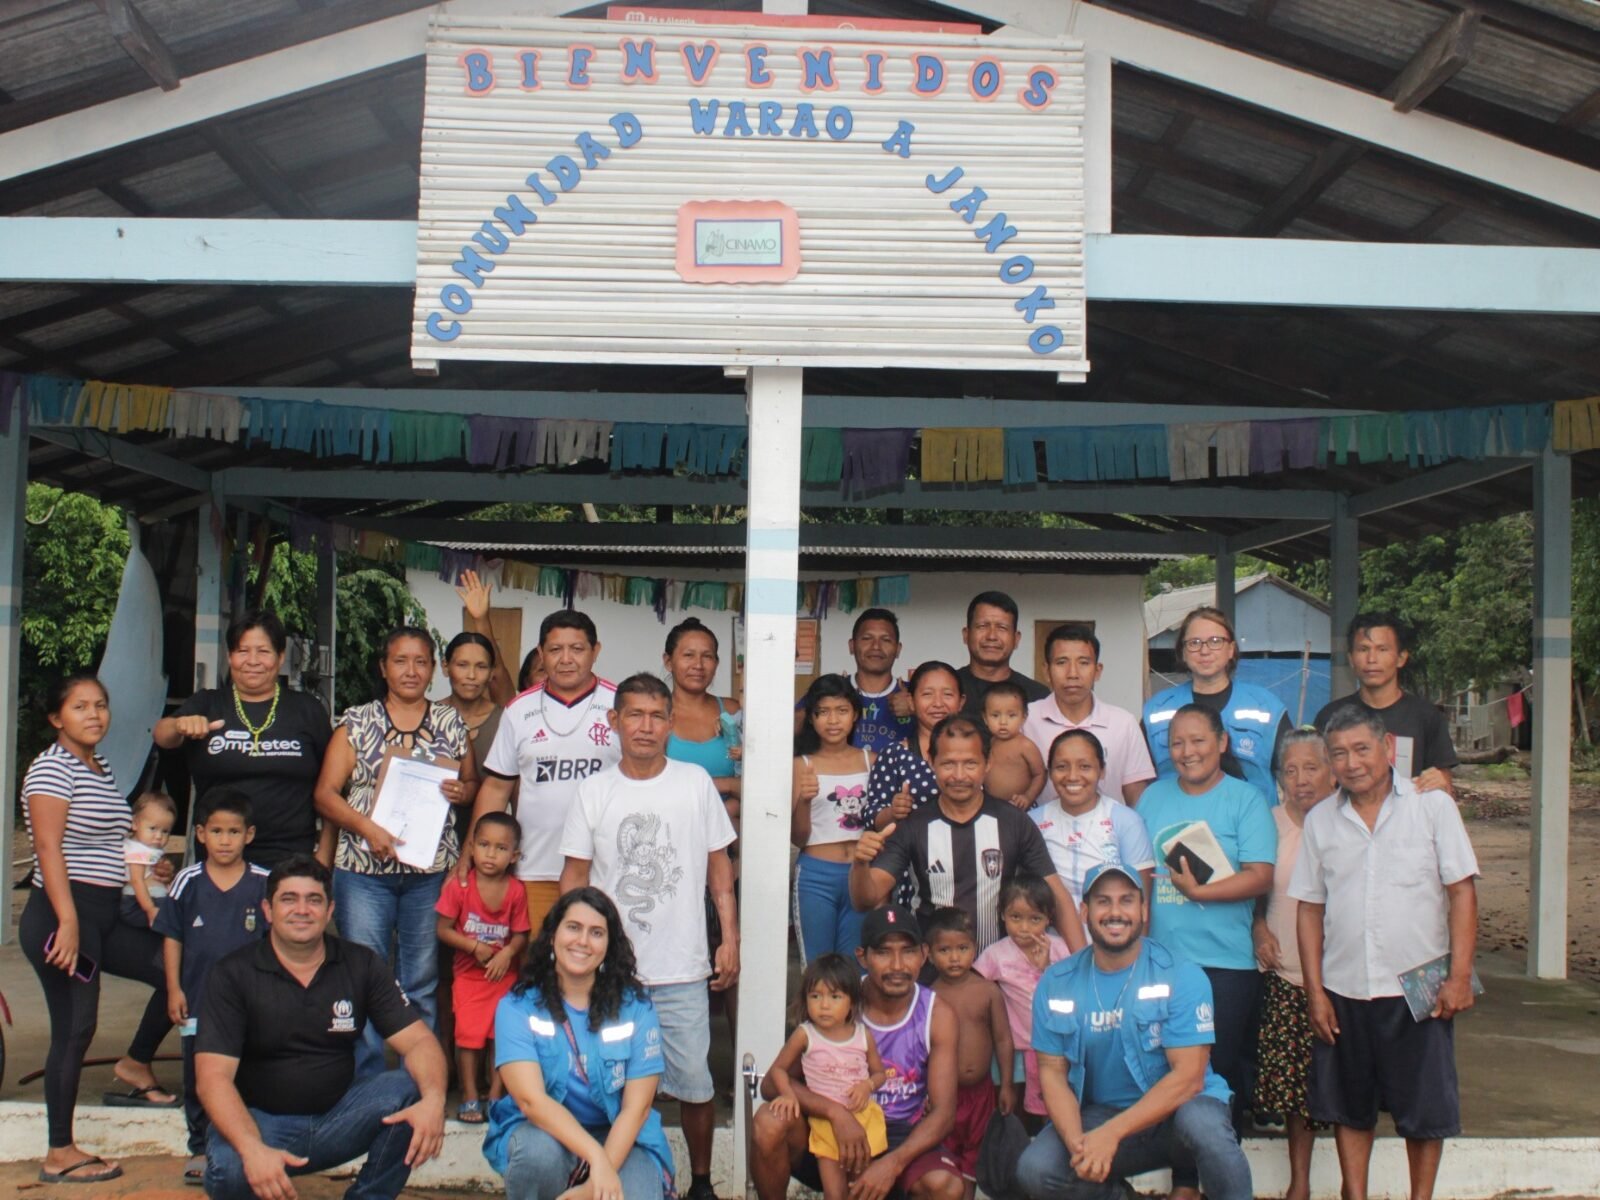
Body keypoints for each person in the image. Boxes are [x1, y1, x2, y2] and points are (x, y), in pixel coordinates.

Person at [558, 672, 738, 1200]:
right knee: (609, 1080)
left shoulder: (694, 783)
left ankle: (700, 1183)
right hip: (611, 970)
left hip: (683, 964)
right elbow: (575, 877)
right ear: (614, 721)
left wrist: (729, 937)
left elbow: (719, 868)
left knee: (695, 1082)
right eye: (634, 714)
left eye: (657, 716)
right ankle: (607, 1174)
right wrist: (569, 950)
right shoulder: (594, 790)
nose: (645, 726)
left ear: (671, 724)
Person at [1290, 706, 1479, 1200]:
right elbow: (1309, 908)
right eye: (1339, 753)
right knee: (1350, 1106)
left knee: (1424, 1110)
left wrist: (1459, 976)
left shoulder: (1431, 807)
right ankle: (1356, 1194)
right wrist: (1315, 992)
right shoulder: (1322, 821)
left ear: (1388, 748)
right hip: (1345, 985)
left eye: (1361, 749)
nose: (1351, 763)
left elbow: (1461, 891)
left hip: (1420, 987)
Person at [195, 855, 447, 1200]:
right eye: (289, 899)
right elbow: (212, 1078)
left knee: (412, 1087)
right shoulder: (232, 974)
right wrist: (252, 1148)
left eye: (314, 900)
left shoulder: (361, 963)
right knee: (232, 1172)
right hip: (260, 1124)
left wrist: (435, 1100)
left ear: (330, 911)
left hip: (340, 1118)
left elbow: (419, 1041)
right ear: (268, 910)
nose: (302, 910)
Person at [21, 673, 179, 1187]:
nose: (94, 714)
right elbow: (48, 847)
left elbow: (112, 842)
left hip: (105, 914)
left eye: (101, 705)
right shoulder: (52, 769)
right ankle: (59, 1152)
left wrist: (149, 866)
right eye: (80, 706)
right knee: (76, 1026)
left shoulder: (100, 766)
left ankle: (135, 1064)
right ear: (56, 717)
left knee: (175, 973)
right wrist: (67, 922)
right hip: (63, 915)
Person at [1015, 863, 1252, 1200]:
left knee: (1205, 1126)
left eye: (1126, 900)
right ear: (1084, 912)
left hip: (1177, 1116)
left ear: (1143, 910)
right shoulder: (1057, 982)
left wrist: (1110, 1134)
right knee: (1036, 1169)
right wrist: (1079, 1145)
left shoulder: (1181, 975)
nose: (1115, 912)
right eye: (1103, 901)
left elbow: (1188, 1079)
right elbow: (1052, 1073)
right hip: (1103, 1114)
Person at [313, 625, 479, 1075]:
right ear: (383, 668)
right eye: (400, 661)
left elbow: (471, 784)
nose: (411, 670)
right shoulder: (357, 722)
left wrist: (462, 791)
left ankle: (418, 1079)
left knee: (420, 980)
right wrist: (368, 828)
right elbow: (325, 794)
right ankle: (367, 1080)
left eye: (421, 661)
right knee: (364, 974)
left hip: (428, 873)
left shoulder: (450, 723)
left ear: (433, 670)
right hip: (364, 873)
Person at [751, 905, 965, 1200]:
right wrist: (835, 1112)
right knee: (769, 1121)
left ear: (924, 954)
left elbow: (944, 1113)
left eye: (908, 952)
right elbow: (771, 1085)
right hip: (829, 1133)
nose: (897, 965)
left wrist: (892, 1164)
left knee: (945, 1187)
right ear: (862, 957)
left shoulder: (937, 1014)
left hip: (899, 1136)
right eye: (883, 952)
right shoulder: (836, 1001)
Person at [1135, 704, 1275, 1143]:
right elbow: (1140, 876)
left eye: (1197, 740)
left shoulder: (1246, 799)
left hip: (1226, 964)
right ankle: (1179, 1170)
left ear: (1222, 742)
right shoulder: (1153, 797)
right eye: (1176, 743)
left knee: (1220, 1072)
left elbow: (1261, 876)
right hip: (1162, 961)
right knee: (1163, 1069)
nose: (1187, 751)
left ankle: (1220, 1165)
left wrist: (1199, 893)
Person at [483, 887, 678, 1200]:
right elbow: (531, 1101)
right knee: (536, 1156)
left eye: (596, 932)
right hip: (546, 1132)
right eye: (573, 927)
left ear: (609, 946)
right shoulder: (516, 1007)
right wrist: (595, 1157)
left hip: (620, 1137)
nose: (583, 941)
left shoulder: (637, 1008)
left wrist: (592, 1185)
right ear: (552, 936)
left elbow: (636, 1109)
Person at [850, 715, 1083, 955]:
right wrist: (860, 864)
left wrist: (1083, 965)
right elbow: (865, 899)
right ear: (931, 762)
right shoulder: (913, 826)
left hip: (1000, 970)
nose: (959, 776)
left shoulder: (1014, 822)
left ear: (988, 763)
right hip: (932, 970)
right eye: (948, 764)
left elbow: (1058, 897)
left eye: (970, 764)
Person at [470, 609, 620, 933]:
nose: (566, 659)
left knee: (603, 959)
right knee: (536, 959)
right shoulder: (518, 710)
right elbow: (496, 788)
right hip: (535, 869)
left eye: (577, 649)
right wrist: (471, 856)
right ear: (541, 653)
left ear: (595, 651)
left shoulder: (621, 705)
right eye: (555, 649)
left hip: (607, 870)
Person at [154, 609, 332, 868]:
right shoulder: (208, 703)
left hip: (291, 862)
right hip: (219, 861)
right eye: (242, 651)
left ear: (280, 657)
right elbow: (162, 735)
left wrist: (324, 855)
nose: (253, 661)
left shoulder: (307, 709)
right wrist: (179, 725)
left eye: (263, 651)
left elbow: (332, 788)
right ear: (230, 656)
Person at [156, 789, 271, 1185]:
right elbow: (172, 937)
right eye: (217, 831)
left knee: (249, 1073)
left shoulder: (264, 884)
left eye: (234, 832)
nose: (225, 840)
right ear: (201, 834)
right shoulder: (186, 881)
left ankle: (249, 1144)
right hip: (198, 999)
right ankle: (201, 1147)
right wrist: (174, 989)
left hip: (250, 1005)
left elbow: (277, 945)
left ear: (249, 835)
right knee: (199, 1078)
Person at [1252, 730, 1335, 1200]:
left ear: (1332, 772)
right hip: (1287, 974)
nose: (1301, 779)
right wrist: (1258, 927)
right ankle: (1299, 1182)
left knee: (1347, 1080)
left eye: (1311, 768)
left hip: (1344, 977)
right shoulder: (1269, 823)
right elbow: (1253, 889)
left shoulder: (1349, 820)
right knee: (1294, 1087)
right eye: (1290, 770)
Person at [761, 954, 892, 1200]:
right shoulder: (805, 1034)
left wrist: (867, 1085)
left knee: (859, 1187)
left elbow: (880, 1074)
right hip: (824, 1124)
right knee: (834, 1191)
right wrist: (788, 1095)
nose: (824, 1005)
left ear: (852, 1003)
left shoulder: (862, 1035)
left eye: (835, 997)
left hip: (863, 1118)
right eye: (815, 996)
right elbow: (778, 1070)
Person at [1143, 605, 1290, 807]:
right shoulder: (1156, 710)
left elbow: (1293, 774)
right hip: (1177, 820)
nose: (1204, 651)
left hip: (1251, 820)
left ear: (1231, 649)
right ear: (1183, 652)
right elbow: (1138, 782)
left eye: (1215, 641)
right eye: (1194, 643)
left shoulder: (1266, 706)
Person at [436, 811, 531, 1124]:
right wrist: (473, 946)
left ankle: (496, 1096)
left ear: (514, 855)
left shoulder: (516, 890)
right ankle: (469, 1095)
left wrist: (508, 953)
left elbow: (521, 934)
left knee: (499, 1037)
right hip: (469, 976)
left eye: (501, 848)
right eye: (484, 845)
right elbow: (443, 930)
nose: (491, 854)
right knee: (468, 1037)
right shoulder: (460, 887)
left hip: (503, 976)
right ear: (472, 848)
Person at [923, 907, 1015, 1198]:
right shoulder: (928, 997)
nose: (954, 958)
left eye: (962, 949)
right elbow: (922, 1049)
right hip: (944, 1095)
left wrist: (1007, 1085)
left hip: (981, 1094)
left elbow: (1003, 1040)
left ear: (974, 948)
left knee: (975, 1156)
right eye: (944, 950)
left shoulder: (987, 991)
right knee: (945, 1153)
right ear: (929, 953)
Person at [1313, 612, 1458, 797]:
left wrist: (1441, 782)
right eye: (1363, 649)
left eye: (1382, 649)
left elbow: (1445, 785)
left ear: (1401, 658)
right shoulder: (1330, 717)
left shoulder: (1426, 716)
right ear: (1351, 659)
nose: (1371, 659)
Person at [862, 660, 965, 906]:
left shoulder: (977, 754)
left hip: (966, 869)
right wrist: (893, 812)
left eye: (947, 694)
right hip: (910, 874)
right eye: (927, 694)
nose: (938, 703)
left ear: (961, 702)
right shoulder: (894, 754)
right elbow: (870, 817)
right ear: (910, 702)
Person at [976, 874, 1072, 1119]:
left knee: (1062, 1102)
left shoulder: (1060, 948)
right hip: (1023, 1046)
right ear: (1002, 915)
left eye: (1035, 919)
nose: (1024, 928)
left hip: (1062, 1042)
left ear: (1049, 918)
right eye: (1015, 917)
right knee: (1029, 1109)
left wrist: (1046, 968)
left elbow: (1072, 991)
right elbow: (975, 987)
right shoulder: (996, 954)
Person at [792, 674, 874, 964]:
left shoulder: (871, 760)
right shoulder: (801, 765)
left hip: (862, 874)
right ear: (812, 718)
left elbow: (880, 820)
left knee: (858, 966)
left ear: (855, 715)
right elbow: (798, 838)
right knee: (818, 966)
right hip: (816, 875)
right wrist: (804, 800)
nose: (833, 720)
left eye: (842, 710)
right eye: (823, 712)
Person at [1025, 625, 1155, 806]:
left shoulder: (1123, 724)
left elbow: (1136, 798)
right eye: (1061, 662)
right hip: (1040, 825)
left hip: (1110, 825)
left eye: (1084, 663)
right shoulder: (1026, 720)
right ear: (1046, 671)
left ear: (1097, 670)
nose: (1072, 674)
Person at [1031, 730, 1156, 906]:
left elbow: (1140, 904)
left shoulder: (1126, 821)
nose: (1072, 776)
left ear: (1102, 771)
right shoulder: (1033, 822)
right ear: (1050, 772)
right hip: (1049, 924)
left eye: (1085, 766)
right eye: (1061, 767)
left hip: (1111, 923)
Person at [795, 608, 915, 754]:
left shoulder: (915, 695)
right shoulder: (830, 691)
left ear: (898, 649)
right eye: (867, 638)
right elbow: (785, 731)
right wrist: (823, 704)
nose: (876, 646)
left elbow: (941, 736)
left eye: (886, 640)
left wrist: (915, 708)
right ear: (852, 646)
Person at [663, 616, 742, 808]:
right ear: (668, 661)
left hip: (728, 823)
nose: (698, 665)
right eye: (688, 655)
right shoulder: (656, 714)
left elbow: (760, 773)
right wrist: (727, 785)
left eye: (707, 656)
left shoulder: (733, 711)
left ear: (716, 663)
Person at [956, 591, 1050, 717]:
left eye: (1002, 628)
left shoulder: (1038, 695)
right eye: (982, 626)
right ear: (966, 635)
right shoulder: (948, 690)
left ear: (1016, 639)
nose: (992, 636)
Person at [982, 680, 1047, 809]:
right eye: (995, 715)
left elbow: (1040, 774)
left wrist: (1028, 797)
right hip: (991, 806)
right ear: (985, 718)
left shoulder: (1025, 745)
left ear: (1024, 717)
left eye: (1011, 715)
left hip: (1019, 806)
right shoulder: (990, 743)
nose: (1003, 722)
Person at [123, 791, 176, 929]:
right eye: (153, 828)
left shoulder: (148, 848)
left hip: (152, 897)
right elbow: (137, 881)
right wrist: (150, 909)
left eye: (165, 831)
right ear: (135, 824)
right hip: (139, 901)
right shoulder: (137, 850)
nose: (159, 836)